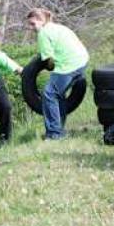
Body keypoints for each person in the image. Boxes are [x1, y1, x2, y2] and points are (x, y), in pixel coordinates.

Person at [27, 8, 89, 140]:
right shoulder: (59, 27)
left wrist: (50, 67)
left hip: (69, 65)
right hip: (82, 60)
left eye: (32, 24)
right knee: (57, 93)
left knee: (49, 94)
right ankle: (59, 128)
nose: (30, 28)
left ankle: (54, 134)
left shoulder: (43, 33)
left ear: (41, 20)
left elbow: (49, 61)